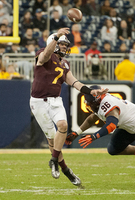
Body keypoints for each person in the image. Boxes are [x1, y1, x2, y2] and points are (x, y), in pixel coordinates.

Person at [29, 28, 108, 187]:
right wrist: (57, 36)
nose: (65, 47)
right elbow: (44, 56)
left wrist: (90, 91)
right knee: (52, 139)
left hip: (56, 101)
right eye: (62, 44)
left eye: (66, 45)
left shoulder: (65, 63)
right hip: (39, 102)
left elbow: (75, 82)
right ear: (54, 42)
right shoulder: (44, 53)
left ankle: (53, 160)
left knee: (63, 126)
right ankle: (65, 169)